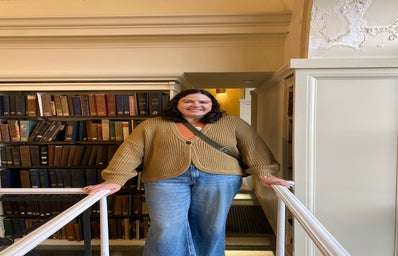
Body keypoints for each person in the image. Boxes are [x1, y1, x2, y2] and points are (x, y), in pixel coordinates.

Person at [84, 89, 290, 256]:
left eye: (203, 102)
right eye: (188, 101)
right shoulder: (152, 125)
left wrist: (265, 173)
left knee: (211, 228)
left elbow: (253, 147)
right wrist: (115, 179)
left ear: (212, 105)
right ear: (177, 104)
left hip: (219, 178)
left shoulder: (232, 123)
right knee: (165, 228)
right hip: (165, 179)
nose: (196, 105)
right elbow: (130, 151)